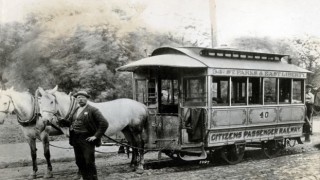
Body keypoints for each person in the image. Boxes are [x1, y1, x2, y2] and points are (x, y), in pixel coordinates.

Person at [69, 90, 108, 180]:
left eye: (83, 97)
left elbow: (104, 123)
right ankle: (85, 178)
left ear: (87, 99)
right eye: (78, 98)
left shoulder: (93, 110)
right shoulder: (76, 109)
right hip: (76, 139)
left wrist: (96, 136)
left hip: (87, 139)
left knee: (89, 162)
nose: (80, 99)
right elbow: (71, 121)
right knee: (79, 161)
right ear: (76, 100)